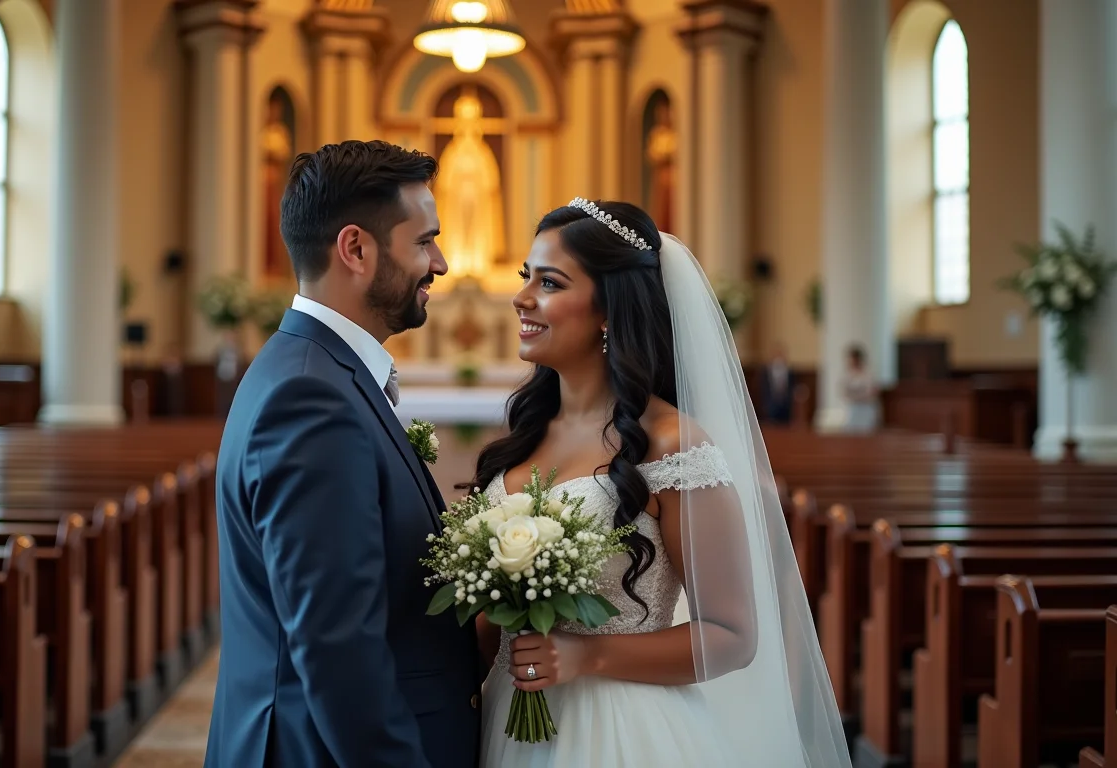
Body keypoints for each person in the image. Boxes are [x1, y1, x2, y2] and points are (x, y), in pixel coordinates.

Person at [471, 198, 852, 766]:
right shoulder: (525, 434)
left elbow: (732, 635)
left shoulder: (672, 442)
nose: (522, 298)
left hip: (620, 731)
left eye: (549, 283)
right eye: (527, 277)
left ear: (609, 310)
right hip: (509, 720)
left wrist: (588, 656)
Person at [206, 140, 484, 768]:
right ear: (356, 249)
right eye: (424, 241)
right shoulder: (312, 398)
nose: (440, 262)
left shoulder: (310, 369)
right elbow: (338, 650)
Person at [843, 345, 879, 432]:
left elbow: (872, 392)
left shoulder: (868, 375)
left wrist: (859, 395)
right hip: (853, 408)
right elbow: (844, 392)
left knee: (866, 432)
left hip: (866, 408)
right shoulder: (848, 375)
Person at [758, 342, 796, 424]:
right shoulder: (765, 372)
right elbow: (763, 389)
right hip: (770, 407)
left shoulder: (790, 372)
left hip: (786, 406)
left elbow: (791, 388)